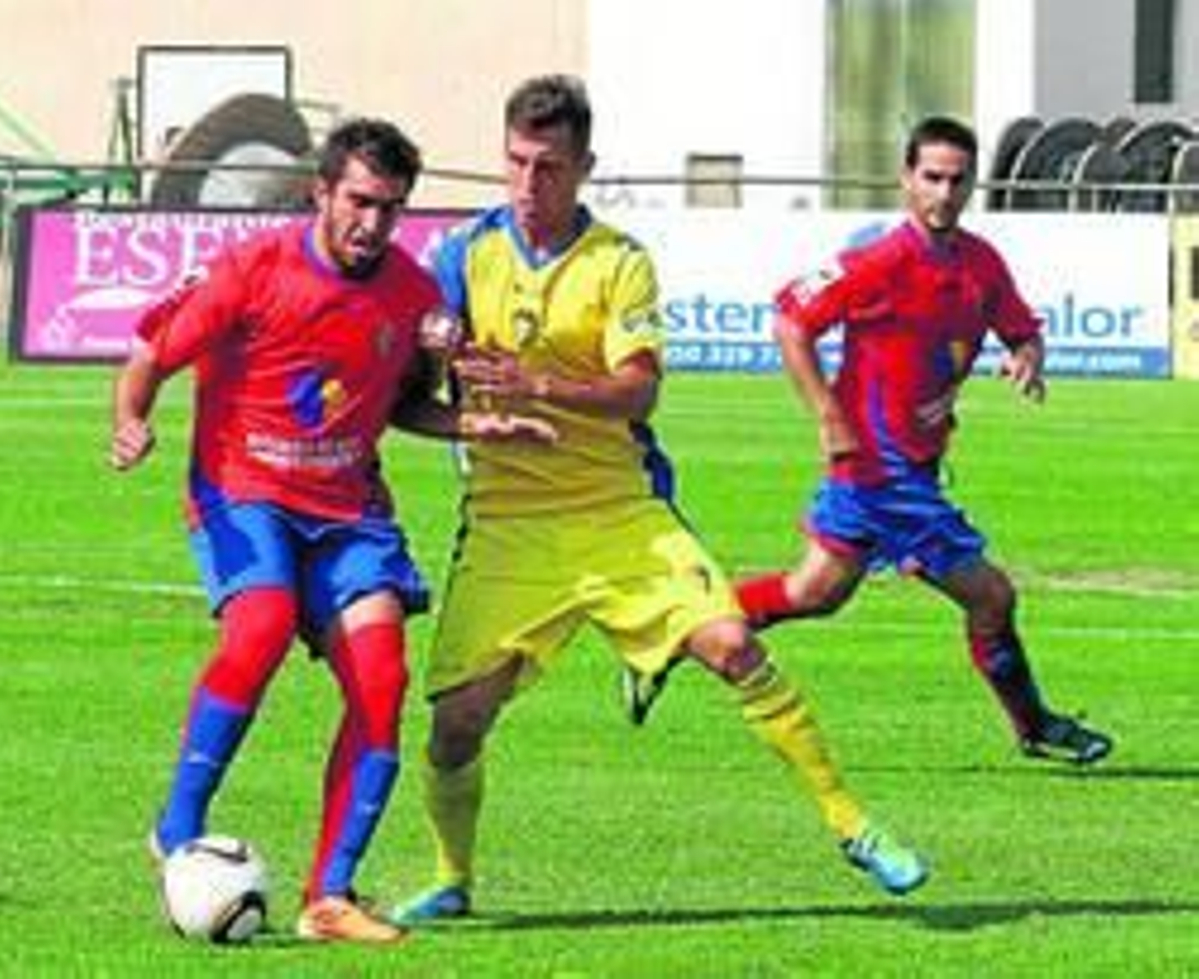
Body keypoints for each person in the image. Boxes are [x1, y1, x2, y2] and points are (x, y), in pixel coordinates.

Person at [394, 75, 928, 927]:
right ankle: (453, 876)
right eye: (517, 163)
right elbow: (411, 390)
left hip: (618, 510)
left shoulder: (619, 261)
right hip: (507, 525)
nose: (531, 185)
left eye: (551, 167)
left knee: (730, 642)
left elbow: (638, 393)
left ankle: (853, 824)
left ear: (585, 168)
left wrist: (540, 382)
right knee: (456, 724)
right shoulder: (460, 257)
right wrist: (462, 399)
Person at [111, 118, 552, 945]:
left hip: (348, 508)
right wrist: (131, 421)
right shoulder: (253, 270)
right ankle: (176, 824)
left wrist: (472, 427)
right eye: (358, 202)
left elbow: (404, 404)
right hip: (243, 491)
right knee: (264, 621)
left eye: (390, 208)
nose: (372, 224)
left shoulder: (415, 297)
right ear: (321, 191)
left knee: (381, 680)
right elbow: (150, 355)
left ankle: (330, 895)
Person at [734, 115, 1113, 766]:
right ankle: (1035, 726)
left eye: (957, 179)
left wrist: (1028, 354)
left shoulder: (979, 263)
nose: (943, 192)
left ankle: (682, 627)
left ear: (972, 185)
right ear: (906, 179)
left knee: (814, 593)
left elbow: (1021, 327)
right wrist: (828, 414)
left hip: (914, 467)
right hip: (882, 475)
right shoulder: (880, 260)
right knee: (991, 594)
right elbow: (790, 322)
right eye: (931, 177)